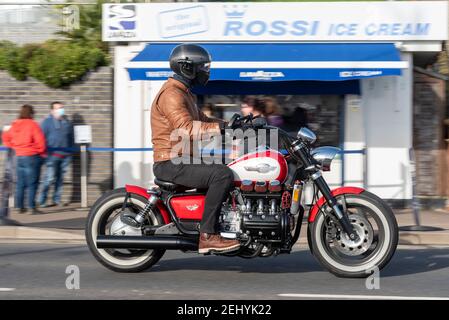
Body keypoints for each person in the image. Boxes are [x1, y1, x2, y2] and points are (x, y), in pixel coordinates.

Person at [151, 43, 240, 254]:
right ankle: (208, 236)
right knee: (221, 175)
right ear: (187, 67)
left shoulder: (185, 93)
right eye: (203, 66)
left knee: (226, 169)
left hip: (183, 159)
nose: (206, 71)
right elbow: (187, 129)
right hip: (171, 161)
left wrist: (233, 125)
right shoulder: (172, 94)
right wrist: (220, 128)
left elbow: (203, 120)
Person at [2, 105, 46, 214]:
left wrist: (14, 146)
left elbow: (5, 138)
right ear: (31, 113)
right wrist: (40, 152)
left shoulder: (14, 124)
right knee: (32, 183)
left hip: (18, 156)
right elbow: (41, 143)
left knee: (20, 183)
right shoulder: (33, 124)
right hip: (31, 156)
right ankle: (31, 207)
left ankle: (19, 206)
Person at [39, 102, 74, 207]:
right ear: (52, 111)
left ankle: (56, 200)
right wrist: (44, 153)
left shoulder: (67, 122)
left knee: (60, 179)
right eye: (58, 108)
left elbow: (71, 137)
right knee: (49, 178)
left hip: (65, 156)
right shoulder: (46, 122)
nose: (61, 110)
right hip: (51, 155)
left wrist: (71, 152)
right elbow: (41, 138)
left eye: (62, 108)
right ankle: (42, 200)